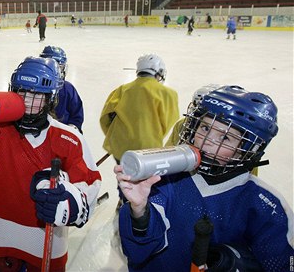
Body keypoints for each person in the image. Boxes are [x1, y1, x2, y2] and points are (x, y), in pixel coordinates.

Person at [115, 85, 293, 271]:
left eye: (225, 138)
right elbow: (137, 251)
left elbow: (284, 264)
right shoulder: (164, 179)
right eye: (205, 127)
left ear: (249, 149)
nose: (207, 140)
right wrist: (139, 211)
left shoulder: (266, 206)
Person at [0, 56, 102, 271]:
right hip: (2, 232)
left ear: (51, 99)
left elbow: (90, 181)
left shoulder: (68, 137)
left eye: (37, 95)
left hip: (43, 239)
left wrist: (72, 201)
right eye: (22, 92)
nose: (28, 101)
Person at [99, 53, 179, 164]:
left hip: (120, 148)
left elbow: (105, 118)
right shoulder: (168, 94)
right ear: (159, 72)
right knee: (144, 179)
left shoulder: (122, 90)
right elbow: (168, 122)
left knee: (124, 177)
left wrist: (115, 139)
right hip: (148, 150)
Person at [39, 45, 84, 132]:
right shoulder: (33, 88)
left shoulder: (68, 89)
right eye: (51, 68)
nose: (56, 73)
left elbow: (77, 115)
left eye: (59, 68)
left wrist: (73, 128)